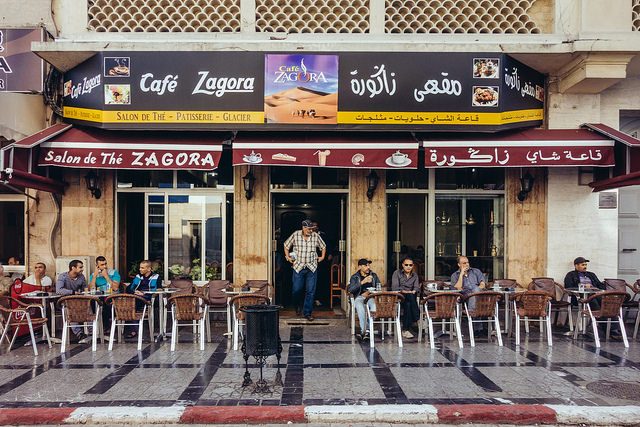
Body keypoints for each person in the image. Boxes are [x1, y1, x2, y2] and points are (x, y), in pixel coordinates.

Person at [563, 257, 621, 339]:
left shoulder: (591, 274)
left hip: (595, 295)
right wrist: (582, 286)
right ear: (576, 265)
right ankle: (608, 329)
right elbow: (568, 287)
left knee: (607, 303)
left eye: (585, 265)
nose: (585, 266)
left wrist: (601, 287)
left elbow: (599, 285)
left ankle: (615, 328)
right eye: (583, 265)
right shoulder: (571, 275)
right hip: (580, 298)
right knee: (594, 302)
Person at [284, 219, 326, 321]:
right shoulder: (296, 234)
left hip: (312, 267)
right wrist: (287, 256)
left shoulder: (315, 236)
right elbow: (286, 245)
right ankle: (297, 305)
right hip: (298, 267)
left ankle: (307, 313)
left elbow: (323, 246)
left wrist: (322, 257)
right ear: (303, 228)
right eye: (308, 229)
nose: (310, 231)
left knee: (310, 291)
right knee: (296, 289)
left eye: (311, 229)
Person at [348, 258, 382, 340]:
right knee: (360, 308)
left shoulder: (373, 275)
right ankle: (366, 330)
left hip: (370, 297)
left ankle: (367, 329)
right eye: (366, 265)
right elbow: (351, 290)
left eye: (369, 265)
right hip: (359, 297)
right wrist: (363, 282)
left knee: (374, 306)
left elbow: (378, 286)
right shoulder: (355, 277)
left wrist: (372, 292)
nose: (368, 267)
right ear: (360, 267)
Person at [125, 260, 159, 339]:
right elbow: (128, 288)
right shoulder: (138, 277)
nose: (140, 269)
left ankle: (135, 331)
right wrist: (134, 291)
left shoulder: (156, 277)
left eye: (142, 268)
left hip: (150, 298)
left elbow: (158, 289)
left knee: (133, 303)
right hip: (138, 298)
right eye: (140, 267)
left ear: (149, 269)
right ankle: (134, 330)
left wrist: (144, 294)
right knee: (131, 304)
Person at [56, 259, 88, 342]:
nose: (82, 269)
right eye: (80, 267)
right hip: (66, 301)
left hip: (79, 300)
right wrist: (73, 292)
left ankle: (91, 332)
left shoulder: (81, 277)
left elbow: (85, 289)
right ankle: (79, 334)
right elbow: (59, 290)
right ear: (73, 268)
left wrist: (85, 292)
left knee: (89, 305)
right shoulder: (63, 276)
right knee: (70, 310)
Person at [451, 255, 486, 332]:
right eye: (464, 263)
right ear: (459, 265)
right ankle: (477, 328)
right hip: (463, 296)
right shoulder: (455, 275)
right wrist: (461, 275)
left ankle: (472, 320)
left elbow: (483, 284)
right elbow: (457, 288)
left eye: (467, 262)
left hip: (479, 295)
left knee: (475, 294)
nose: (467, 264)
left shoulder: (476, 271)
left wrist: (475, 291)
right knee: (473, 296)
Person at [391, 256, 420, 339]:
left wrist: (413, 291)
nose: (408, 267)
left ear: (413, 266)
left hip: (410, 298)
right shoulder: (397, 273)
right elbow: (395, 288)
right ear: (402, 265)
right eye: (406, 265)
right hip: (400, 297)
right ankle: (417, 318)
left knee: (408, 304)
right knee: (409, 297)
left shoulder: (415, 275)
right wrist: (407, 292)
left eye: (410, 265)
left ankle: (405, 330)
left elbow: (416, 287)